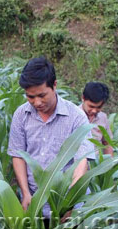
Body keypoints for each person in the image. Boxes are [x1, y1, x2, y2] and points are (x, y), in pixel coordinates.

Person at [8, 57, 95, 219]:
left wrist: (69, 202)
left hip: (65, 202)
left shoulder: (76, 117)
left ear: (54, 85)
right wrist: (25, 193)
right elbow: (18, 155)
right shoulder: (21, 114)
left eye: (42, 95)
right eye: (30, 97)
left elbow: (82, 161)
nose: (37, 102)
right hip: (33, 200)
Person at [80, 82, 114, 157]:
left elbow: (107, 143)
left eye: (98, 107)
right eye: (91, 106)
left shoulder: (103, 118)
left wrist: (109, 164)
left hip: (96, 166)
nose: (94, 111)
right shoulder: (73, 115)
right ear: (83, 98)